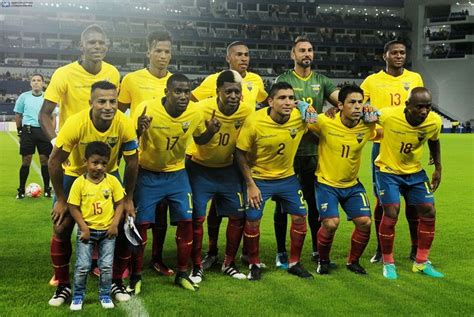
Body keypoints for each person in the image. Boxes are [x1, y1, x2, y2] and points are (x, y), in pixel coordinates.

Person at [38, 23, 121, 289]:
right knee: (62, 223)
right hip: (72, 164)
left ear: (107, 46)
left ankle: (97, 265)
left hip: (105, 162)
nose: (97, 47)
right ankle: (60, 273)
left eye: (101, 43)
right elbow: (45, 113)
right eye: (92, 42)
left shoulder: (112, 72)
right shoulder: (64, 74)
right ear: (82, 46)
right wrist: (56, 142)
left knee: (105, 218)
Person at [47, 81, 138, 306]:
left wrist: (128, 199)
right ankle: (63, 286)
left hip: (110, 176)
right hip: (75, 176)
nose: (108, 106)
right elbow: (54, 161)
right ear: (91, 103)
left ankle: (116, 281)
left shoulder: (124, 123)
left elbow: (133, 162)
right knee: (61, 226)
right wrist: (60, 199)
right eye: (102, 101)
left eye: (112, 101)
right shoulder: (75, 123)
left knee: (125, 225)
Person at [131, 73, 220, 292]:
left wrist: (211, 130)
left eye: (186, 91)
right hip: (148, 173)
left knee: (186, 221)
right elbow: (128, 139)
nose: (183, 96)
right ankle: (135, 275)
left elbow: (200, 139)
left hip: (177, 174)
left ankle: (182, 273)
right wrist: (137, 129)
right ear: (166, 92)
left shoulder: (195, 111)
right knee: (141, 225)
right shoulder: (147, 109)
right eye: (178, 91)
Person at [191, 41, 268, 269]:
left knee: (238, 210)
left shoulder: (256, 81)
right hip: (207, 157)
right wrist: (210, 127)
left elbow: (261, 106)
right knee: (212, 208)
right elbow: (195, 106)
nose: (243, 58)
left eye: (247, 54)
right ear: (228, 58)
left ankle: (241, 254)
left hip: (237, 159)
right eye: (238, 55)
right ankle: (211, 252)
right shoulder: (211, 82)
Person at [235, 82, 312, 281]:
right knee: (253, 220)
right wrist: (251, 184)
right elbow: (240, 153)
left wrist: (308, 108)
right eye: (282, 98)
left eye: (291, 98)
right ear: (270, 101)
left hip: (287, 178)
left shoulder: (299, 117)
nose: (288, 102)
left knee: (299, 218)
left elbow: (325, 123)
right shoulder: (254, 121)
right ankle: (253, 263)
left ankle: (294, 263)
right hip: (259, 178)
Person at [273, 36, 339, 268]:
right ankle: (281, 251)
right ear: (293, 54)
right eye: (302, 50)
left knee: (313, 203)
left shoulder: (321, 80)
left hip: (313, 151)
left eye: (310, 50)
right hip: (289, 152)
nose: (306, 54)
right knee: (283, 204)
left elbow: (340, 100)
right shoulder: (284, 79)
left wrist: (339, 107)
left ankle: (313, 247)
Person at [360, 39, 425, 263]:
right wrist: (367, 113)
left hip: (407, 145)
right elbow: (359, 105)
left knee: (413, 201)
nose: (399, 56)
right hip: (382, 144)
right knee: (382, 200)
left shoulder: (414, 78)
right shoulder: (372, 81)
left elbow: (420, 106)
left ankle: (416, 248)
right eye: (394, 52)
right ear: (384, 56)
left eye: (402, 53)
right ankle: (381, 248)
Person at [187, 70, 253, 284]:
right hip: (200, 168)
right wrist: (209, 132)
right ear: (218, 92)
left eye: (237, 92)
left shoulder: (246, 112)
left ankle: (228, 263)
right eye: (229, 92)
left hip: (228, 170)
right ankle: (197, 266)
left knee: (238, 216)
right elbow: (194, 138)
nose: (233, 96)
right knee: (197, 217)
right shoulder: (201, 109)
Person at [118, 29, 174, 277]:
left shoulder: (175, 83)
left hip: (166, 158)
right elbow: (119, 114)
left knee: (162, 213)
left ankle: (157, 258)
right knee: (137, 211)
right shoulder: (131, 79)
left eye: (167, 51)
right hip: (138, 157)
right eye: (158, 50)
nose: (163, 56)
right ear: (148, 52)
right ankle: (132, 257)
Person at [375, 87, 444, 280]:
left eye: (428, 107)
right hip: (387, 171)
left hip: (414, 172)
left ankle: (421, 262)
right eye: (419, 107)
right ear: (407, 106)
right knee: (391, 212)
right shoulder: (388, 115)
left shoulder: (434, 121)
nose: (424, 111)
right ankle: (388, 263)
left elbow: (434, 140)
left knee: (429, 210)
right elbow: (366, 114)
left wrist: (438, 168)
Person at [309, 85, 376, 275]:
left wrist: (374, 112)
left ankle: (353, 262)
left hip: (352, 184)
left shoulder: (368, 124)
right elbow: (304, 124)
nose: (357, 107)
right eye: (352, 102)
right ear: (340, 105)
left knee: (365, 222)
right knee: (330, 224)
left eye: (360, 102)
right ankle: (323, 261)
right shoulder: (325, 121)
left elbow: (387, 125)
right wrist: (301, 106)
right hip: (326, 183)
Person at [68, 141, 125, 311]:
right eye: (95, 162)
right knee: (83, 266)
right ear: (86, 161)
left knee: (106, 266)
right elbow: (73, 206)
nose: (99, 167)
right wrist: (83, 227)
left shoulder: (112, 181)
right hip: (87, 232)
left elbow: (120, 203)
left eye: (103, 163)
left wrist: (115, 224)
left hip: (108, 232)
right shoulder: (79, 183)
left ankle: (105, 295)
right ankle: (78, 296)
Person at [14, 74, 52, 199]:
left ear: (43, 83)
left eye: (39, 80)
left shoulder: (48, 97)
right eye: (33, 80)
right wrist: (20, 131)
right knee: (26, 160)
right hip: (28, 131)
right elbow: (18, 115)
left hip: (43, 131)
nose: (36, 83)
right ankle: (21, 190)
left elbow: (52, 117)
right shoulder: (23, 97)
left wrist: (51, 132)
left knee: (45, 161)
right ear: (30, 83)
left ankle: (47, 189)